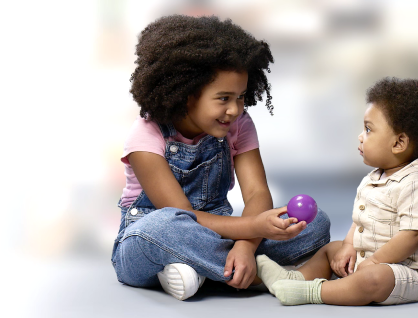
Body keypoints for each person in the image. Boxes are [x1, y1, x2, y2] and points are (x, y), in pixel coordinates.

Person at [111, 15, 331, 301]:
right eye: (224, 98)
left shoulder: (238, 126)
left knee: (316, 223)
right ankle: (260, 273)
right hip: (152, 240)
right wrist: (252, 229)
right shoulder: (146, 136)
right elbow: (182, 216)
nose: (235, 109)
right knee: (162, 227)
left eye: (240, 97)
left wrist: (246, 246)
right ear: (188, 94)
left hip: (221, 234)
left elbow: (256, 193)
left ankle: (205, 271)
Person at [257, 77, 418, 306]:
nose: (360, 136)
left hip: (407, 272)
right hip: (369, 258)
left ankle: (311, 291)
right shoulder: (373, 178)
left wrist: (376, 261)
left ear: (399, 143)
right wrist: (349, 246)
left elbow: (414, 235)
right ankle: (294, 277)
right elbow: (359, 221)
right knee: (331, 249)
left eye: (369, 130)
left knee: (373, 279)